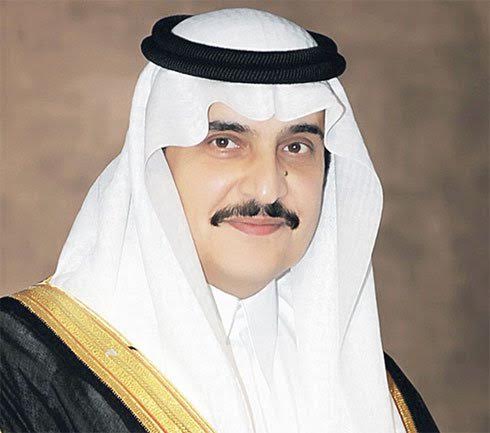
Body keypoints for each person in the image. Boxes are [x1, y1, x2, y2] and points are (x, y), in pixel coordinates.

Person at [0, 8, 439, 433]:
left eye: (296, 147)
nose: (267, 189)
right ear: (154, 162)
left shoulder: (371, 388)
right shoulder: (22, 371)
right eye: (225, 142)